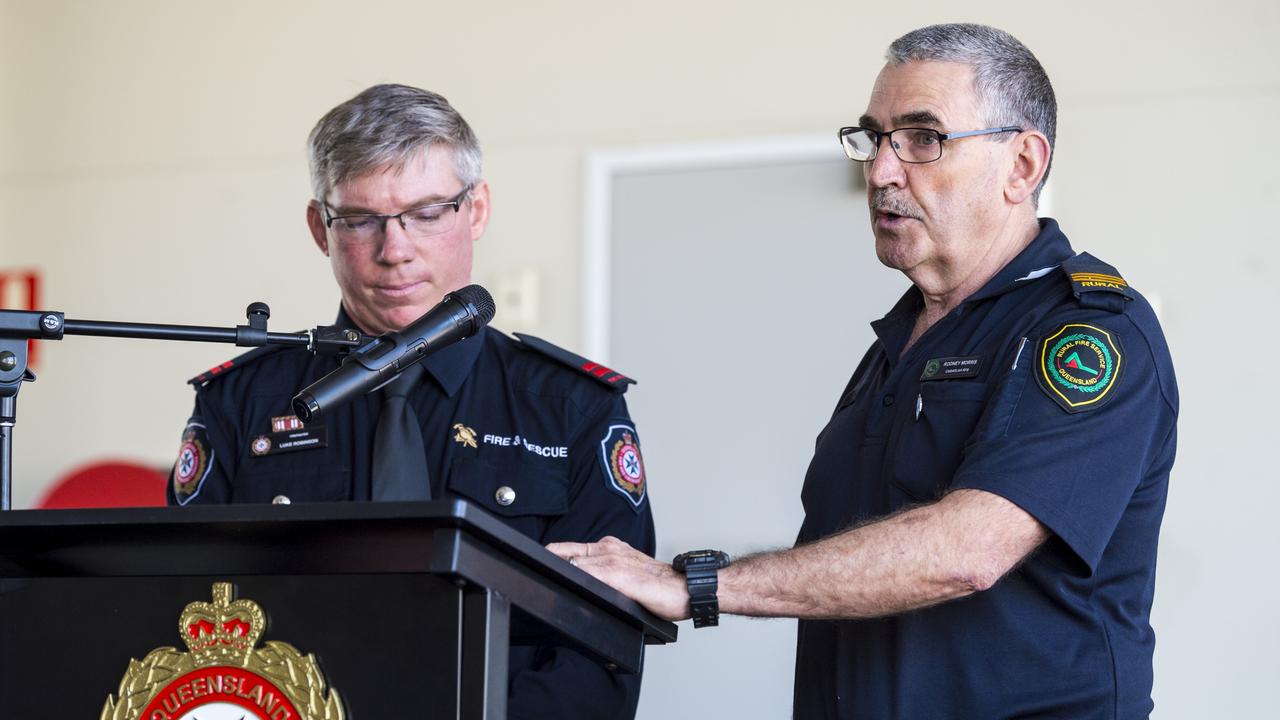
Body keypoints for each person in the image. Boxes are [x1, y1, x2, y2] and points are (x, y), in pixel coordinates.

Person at [551, 23, 1178, 719]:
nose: (881, 171)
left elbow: (966, 550)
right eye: (873, 138)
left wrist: (701, 585)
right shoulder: (895, 346)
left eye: (922, 138)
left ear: (1023, 165)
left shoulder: (1088, 334)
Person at [166, 83, 655, 719]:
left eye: (426, 213)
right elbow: (185, 615)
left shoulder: (569, 407)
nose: (394, 251)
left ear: (475, 210)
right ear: (321, 228)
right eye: (362, 219)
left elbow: (603, 653)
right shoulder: (240, 402)